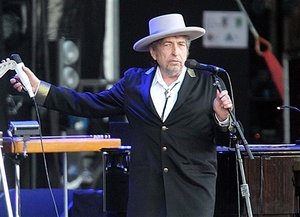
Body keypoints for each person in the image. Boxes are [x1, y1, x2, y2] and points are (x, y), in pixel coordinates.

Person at [10, 13, 233, 217]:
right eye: (168, 44)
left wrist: (222, 118)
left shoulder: (208, 82)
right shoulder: (134, 82)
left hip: (192, 192)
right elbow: (88, 104)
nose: (176, 51)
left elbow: (228, 139)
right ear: (154, 52)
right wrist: (39, 88)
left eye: (181, 44)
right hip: (147, 196)